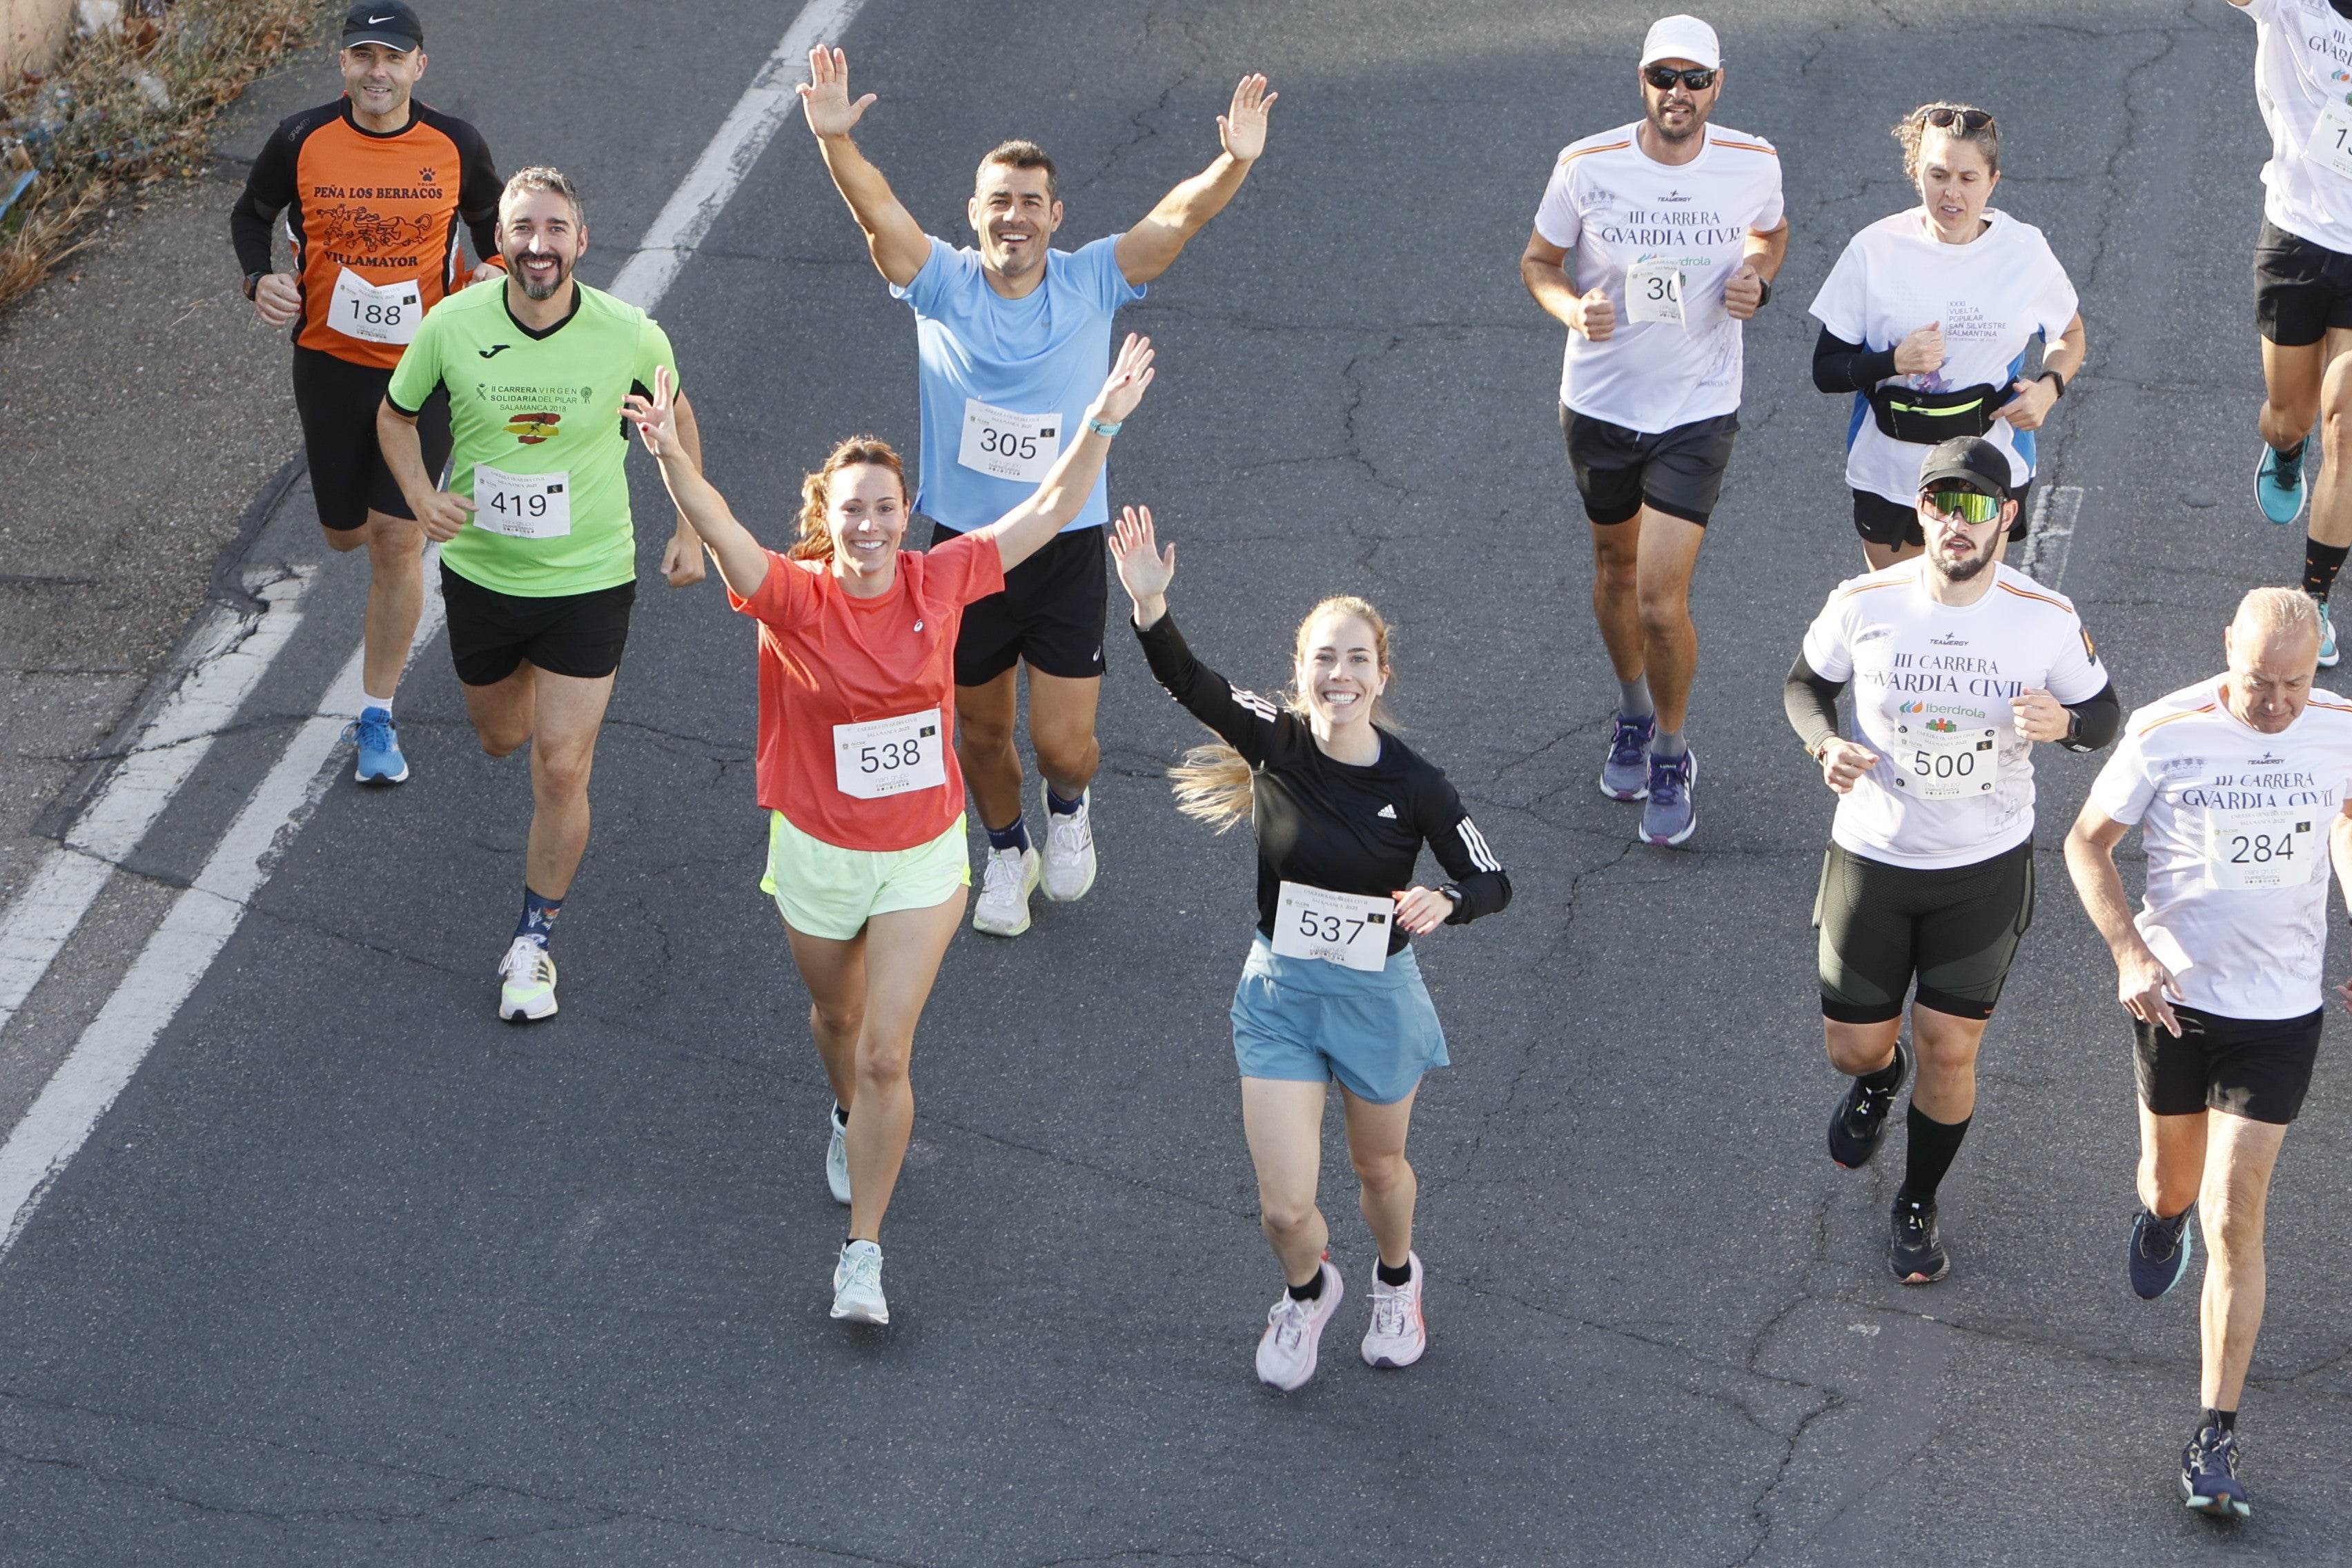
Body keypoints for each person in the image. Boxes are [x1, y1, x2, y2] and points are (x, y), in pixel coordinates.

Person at [627, 338, 1157, 1326]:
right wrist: (666, 456)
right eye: (850, 509)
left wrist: (1105, 421)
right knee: (837, 1025)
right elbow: (719, 523)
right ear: (826, 521)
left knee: (885, 1052)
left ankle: (861, 1256)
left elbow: (1046, 511)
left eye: (884, 507)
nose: (868, 523)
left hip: (921, 859)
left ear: (903, 514)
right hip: (818, 857)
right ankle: (846, 1120)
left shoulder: (940, 579)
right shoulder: (790, 594)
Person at [799, 46, 1277, 936]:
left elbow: (1175, 221)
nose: (1013, 218)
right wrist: (835, 144)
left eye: (1030, 203)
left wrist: (1235, 160)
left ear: (1055, 216)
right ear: (974, 214)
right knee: (980, 735)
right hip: (963, 551)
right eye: (998, 202)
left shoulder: (1093, 277)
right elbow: (877, 212)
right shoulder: (939, 284)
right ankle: (1007, 849)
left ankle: (1068, 810)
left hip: (1061, 547)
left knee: (1063, 743)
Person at [1109, 510, 1510, 1391]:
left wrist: (1449, 899)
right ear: (1301, 673)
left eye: (1357, 659)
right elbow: (1188, 679)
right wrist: (1149, 607)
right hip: (1282, 996)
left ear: (1381, 675)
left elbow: (1492, 877)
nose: (1340, 674)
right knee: (1287, 1206)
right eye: (1324, 659)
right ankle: (1306, 1291)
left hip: (1375, 996)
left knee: (1378, 1168)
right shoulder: (1276, 740)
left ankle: (1397, 1282)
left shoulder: (1416, 783)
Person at [1783, 437, 2116, 1284]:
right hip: (1875, 854)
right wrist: (1825, 746)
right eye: (1940, 501)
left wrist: (2066, 727)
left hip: (1983, 865)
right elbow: (1805, 685)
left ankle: (1918, 1199)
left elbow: (2104, 713)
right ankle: (1878, 1078)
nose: (1956, 521)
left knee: (1951, 1048)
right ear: (1921, 511)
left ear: (2006, 515)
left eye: (1975, 504)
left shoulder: (2043, 615)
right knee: (1853, 1048)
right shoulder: (1865, 601)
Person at [378, 166, 706, 1023]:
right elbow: (395, 415)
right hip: (483, 573)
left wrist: (689, 527)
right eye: (523, 229)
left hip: (590, 577)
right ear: (501, 242)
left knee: (560, 765)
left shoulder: (631, 335)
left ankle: (533, 940)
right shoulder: (451, 326)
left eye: (555, 229)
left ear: (582, 243)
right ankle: (523, 697)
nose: (539, 245)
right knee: (500, 737)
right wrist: (419, 498)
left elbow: (675, 424)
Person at [2063, 587, 2352, 1519]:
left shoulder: (2340, 727)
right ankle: (2159, 1217)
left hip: (2279, 1013)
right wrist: (2129, 952)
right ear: (2226, 646)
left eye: (2294, 686)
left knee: (2235, 1213)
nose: (2274, 705)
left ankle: (2215, 1435)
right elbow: (2086, 843)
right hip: (2176, 1001)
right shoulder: (2164, 730)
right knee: (2173, 1187)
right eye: (2259, 681)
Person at [1520, 13, 1787, 846]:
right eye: (1663, 78)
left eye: (1694, 80)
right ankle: (1634, 711)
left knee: (1661, 602)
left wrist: (1757, 279)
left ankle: (1672, 750)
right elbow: (1538, 262)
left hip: (1698, 407)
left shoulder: (1754, 162)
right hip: (1600, 402)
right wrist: (1573, 308)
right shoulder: (1586, 164)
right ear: (1642, 80)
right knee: (1613, 569)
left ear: (1718, 85)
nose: (1679, 94)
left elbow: (1770, 236)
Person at [229, 0, 502, 784]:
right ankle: (382, 531)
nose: (377, 72)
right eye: (362, 57)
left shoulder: (456, 145)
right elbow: (251, 213)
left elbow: (493, 226)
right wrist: (259, 280)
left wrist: (494, 271)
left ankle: (376, 717)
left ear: (420, 66)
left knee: (395, 539)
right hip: (330, 363)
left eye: (393, 58)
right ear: (343, 65)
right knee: (345, 534)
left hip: (427, 368)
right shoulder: (300, 138)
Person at [1809, 103, 2086, 572]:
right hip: (1892, 472)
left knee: (1969, 611)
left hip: (1989, 462)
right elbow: (1826, 369)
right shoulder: (1874, 250)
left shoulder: (2024, 251)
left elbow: (2071, 333)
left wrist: (2049, 388)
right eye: (1938, 175)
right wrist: (1893, 362)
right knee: (1898, 619)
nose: (1951, 194)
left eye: (1967, 178)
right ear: (1917, 174)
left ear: (1992, 182)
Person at [2233, 0, 2352, 668]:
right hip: (2299, 237)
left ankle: (2315, 599)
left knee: (2345, 431)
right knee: (2293, 417)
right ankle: (2284, 450)